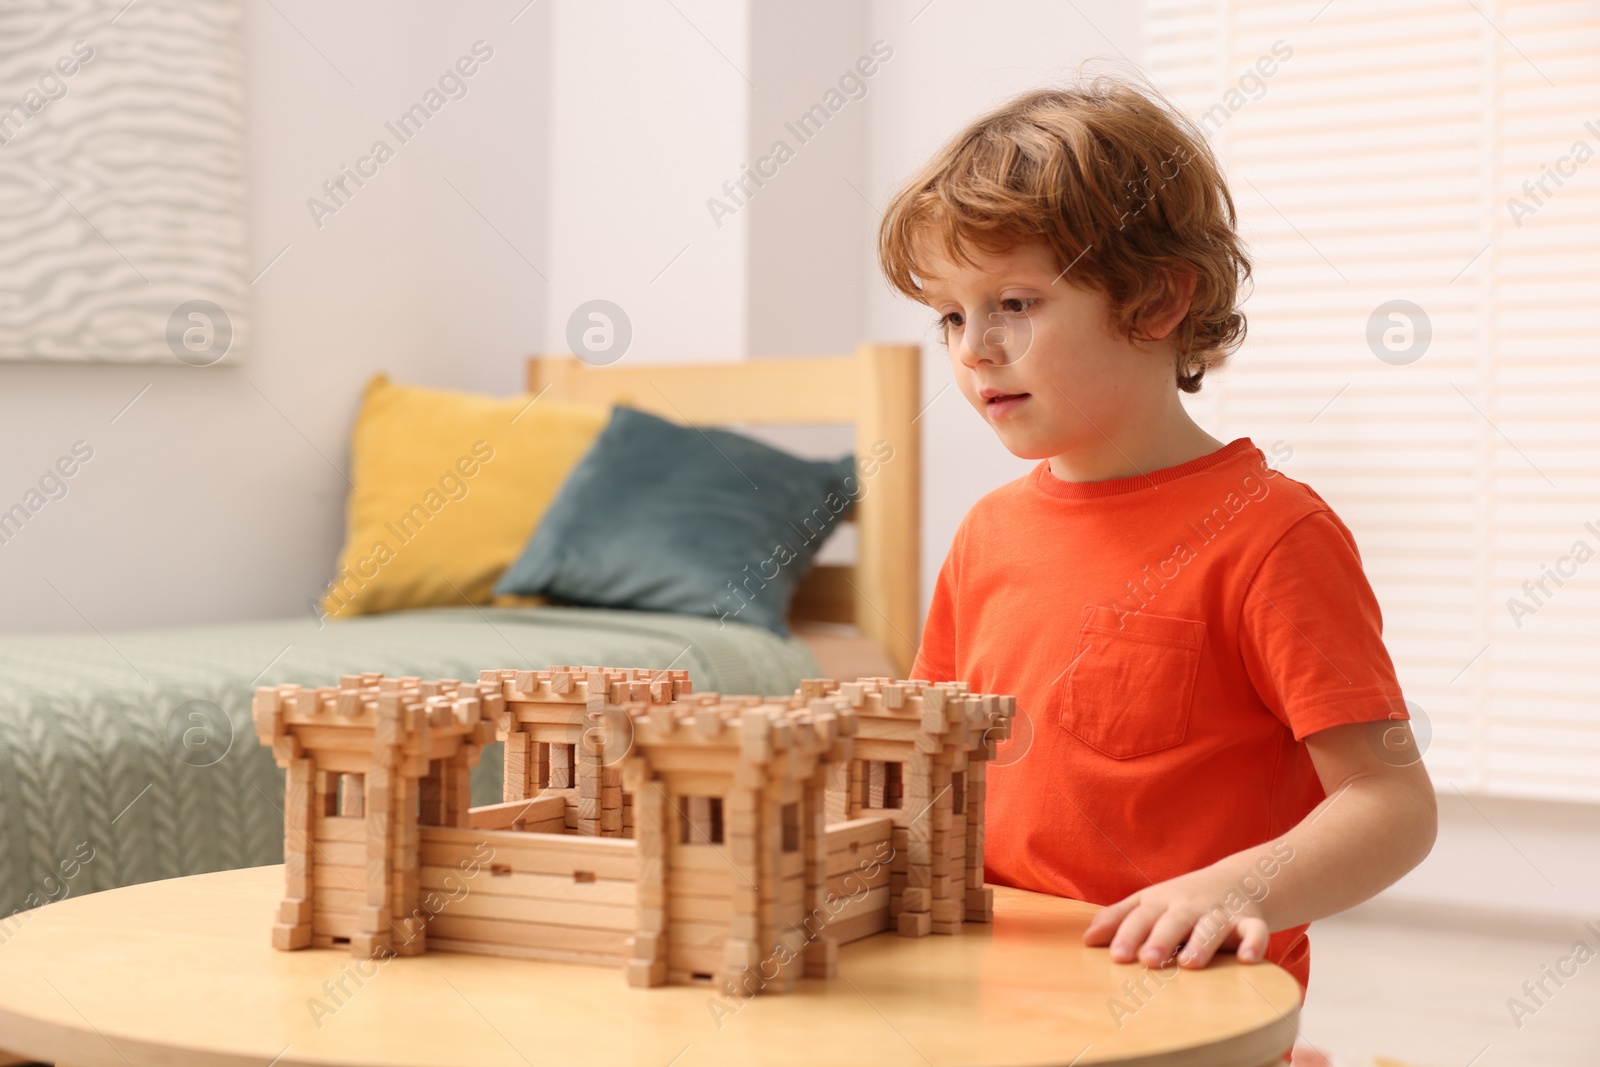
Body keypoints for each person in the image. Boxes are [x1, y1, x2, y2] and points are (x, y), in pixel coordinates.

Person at [878, 76, 1437, 1033]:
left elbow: (1391, 802)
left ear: (1155, 300)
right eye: (952, 316)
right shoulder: (985, 535)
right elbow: (927, 773)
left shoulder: (1273, 536)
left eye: (1013, 301)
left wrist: (1237, 887)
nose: (974, 348)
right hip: (989, 997)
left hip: (1181, 1001)